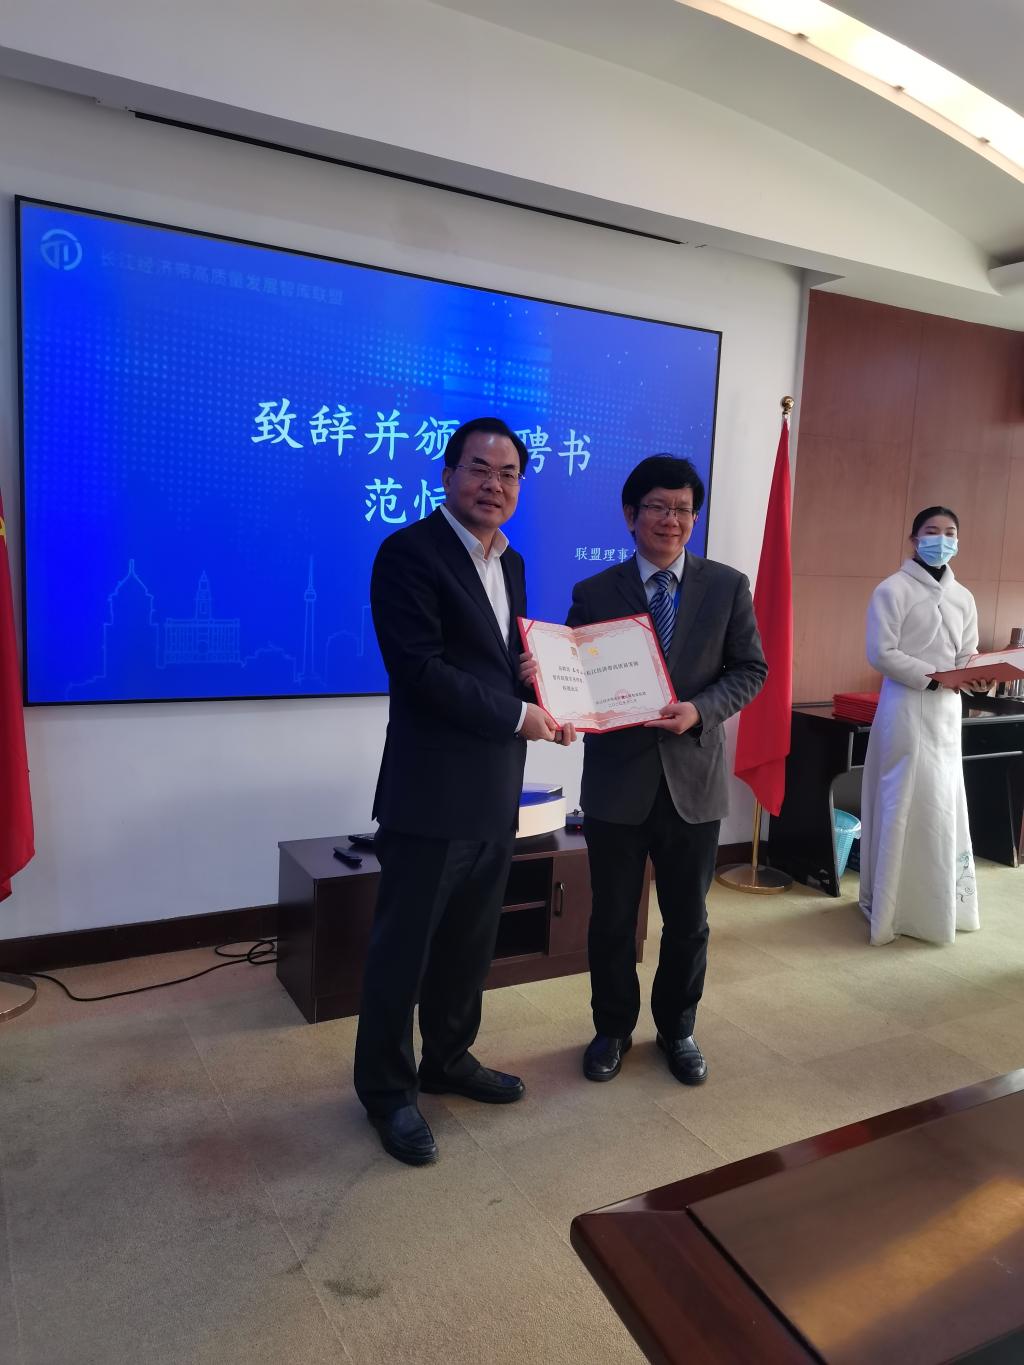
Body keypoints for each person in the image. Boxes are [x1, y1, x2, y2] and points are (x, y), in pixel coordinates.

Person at [354, 416, 574, 1166]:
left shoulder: (511, 563)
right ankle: (387, 1091)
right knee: (404, 952)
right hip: (430, 792)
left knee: (469, 944)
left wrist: (542, 685)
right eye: (479, 468)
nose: (494, 484)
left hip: (494, 788)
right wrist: (520, 714)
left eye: (509, 473)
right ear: (447, 474)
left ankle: (448, 1058)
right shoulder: (408, 553)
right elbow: (421, 670)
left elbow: (497, 662)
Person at [525, 455, 766, 1086]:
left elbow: (750, 670)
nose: (671, 520)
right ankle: (612, 1028)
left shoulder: (727, 586)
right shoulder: (596, 591)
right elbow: (573, 675)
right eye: (658, 506)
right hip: (618, 783)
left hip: (694, 783)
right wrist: (548, 684)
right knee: (611, 919)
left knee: (689, 921)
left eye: (684, 509)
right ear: (631, 514)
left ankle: (678, 1030)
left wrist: (700, 710)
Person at [859, 507, 991, 946]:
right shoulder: (891, 590)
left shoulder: (963, 596)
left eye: (950, 532)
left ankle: (939, 904)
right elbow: (881, 652)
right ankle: (894, 910)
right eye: (932, 531)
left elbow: (967, 652)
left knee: (942, 800)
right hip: (906, 706)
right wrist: (933, 677)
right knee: (905, 798)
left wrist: (978, 674)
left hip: (947, 712)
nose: (942, 539)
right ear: (914, 539)